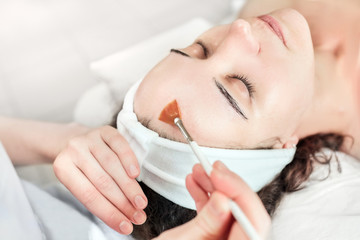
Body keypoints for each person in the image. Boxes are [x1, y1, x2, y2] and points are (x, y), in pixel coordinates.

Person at [1, 0, 359, 239]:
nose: (239, 32)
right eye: (241, 88)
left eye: (198, 50)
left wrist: (56, 139)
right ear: (283, 144)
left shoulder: (266, 10)